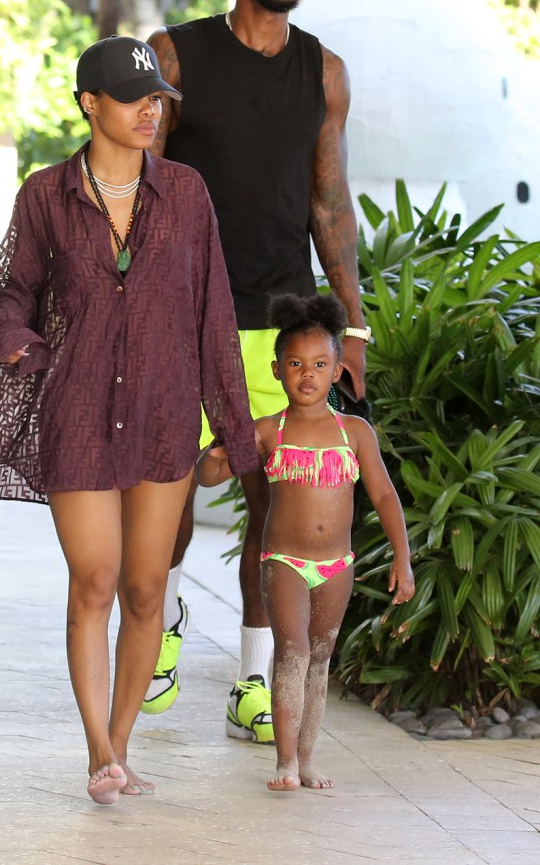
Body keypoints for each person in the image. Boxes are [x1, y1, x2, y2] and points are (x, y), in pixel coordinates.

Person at [0, 35, 259, 805]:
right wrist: (18, 342)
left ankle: (123, 742)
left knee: (143, 591)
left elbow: (214, 317)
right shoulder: (45, 194)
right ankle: (97, 748)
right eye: (133, 96)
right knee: (94, 580)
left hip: (166, 418)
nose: (150, 109)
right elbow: (11, 287)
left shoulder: (188, 195)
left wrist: (233, 428)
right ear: (89, 104)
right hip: (77, 415)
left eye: (156, 96)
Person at [142, 0, 370, 744]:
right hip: (185, 319)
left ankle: (250, 682)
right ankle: (161, 632)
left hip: (276, 322)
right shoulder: (179, 55)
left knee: (272, 511)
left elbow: (329, 202)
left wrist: (353, 328)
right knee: (165, 500)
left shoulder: (324, 71)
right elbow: (141, 186)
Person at [196, 293, 415, 791]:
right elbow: (208, 476)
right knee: (291, 650)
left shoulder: (355, 432)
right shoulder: (268, 430)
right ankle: (285, 762)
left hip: (337, 564)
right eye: (295, 364)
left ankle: (309, 759)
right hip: (284, 562)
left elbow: (383, 494)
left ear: (338, 370)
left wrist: (402, 557)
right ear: (276, 371)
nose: (307, 374)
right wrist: (219, 449)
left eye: (319, 364)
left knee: (320, 659)